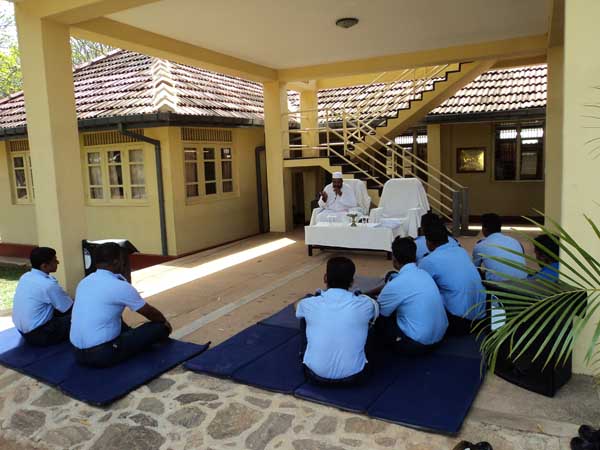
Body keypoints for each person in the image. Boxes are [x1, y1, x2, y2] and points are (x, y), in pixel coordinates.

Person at [70, 242, 172, 368]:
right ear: (116, 262)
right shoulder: (120, 286)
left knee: (112, 314)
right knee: (159, 327)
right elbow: (150, 313)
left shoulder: (84, 282)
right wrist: (164, 322)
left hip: (76, 352)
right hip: (102, 353)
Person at [296, 256, 378, 385]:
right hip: (355, 376)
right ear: (352, 282)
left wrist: (314, 299)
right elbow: (376, 307)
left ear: (325, 278)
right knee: (370, 322)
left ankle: (304, 355)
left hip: (314, 376)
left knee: (304, 317)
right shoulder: (365, 304)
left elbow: (297, 306)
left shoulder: (309, 303)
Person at [376, 237, 448, 354]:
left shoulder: (397, 283)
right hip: (440, 337)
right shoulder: (424, 273)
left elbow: (380, 312)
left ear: (394, 258)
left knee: (377, 320)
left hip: (417, 343)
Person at [419, 223, 486, 335]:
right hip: (480, 315)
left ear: (428, 242)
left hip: (459, 320)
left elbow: (418, 286)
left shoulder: (429, 261)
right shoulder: (461, 251)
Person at [12, 247, 73, 346]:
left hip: (22, 331)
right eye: (54, 261)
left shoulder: (25, 276)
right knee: (82, 317)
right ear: (44, 266)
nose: (58, 262)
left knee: (58, 307)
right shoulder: (48, 285)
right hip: (40, 334)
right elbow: (69, 308)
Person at [472, 213, 527, 282]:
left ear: (484, 228)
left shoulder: (481, 245)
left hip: (499, 286)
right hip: (524, 283)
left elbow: (474, 268)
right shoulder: (515, 241)